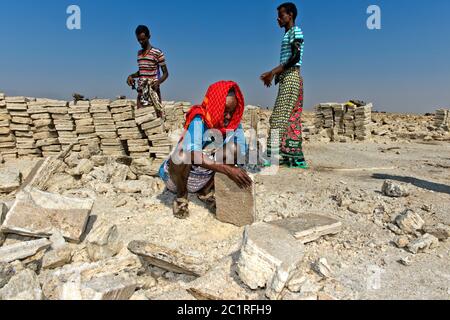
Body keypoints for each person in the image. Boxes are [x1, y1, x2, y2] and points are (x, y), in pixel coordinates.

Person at [159, 81, 253, 219]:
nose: (228, 117)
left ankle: (206, 191)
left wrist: (236, 167)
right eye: (224, 111)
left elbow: (240, 151)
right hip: (180, 178)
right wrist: (228, 170)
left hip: (205, 176)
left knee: (234, 148)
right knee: (181, 154)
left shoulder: (233, 123)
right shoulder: (199, 119)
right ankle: (181, 197)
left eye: (231, 112)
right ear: (215, 106)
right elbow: (191, 154)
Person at [260, 2, 308, 169]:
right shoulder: (288, 34)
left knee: (278, 118)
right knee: (290, 120)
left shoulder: (296, 31)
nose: (278, 18)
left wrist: (273, 72)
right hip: (287, 78)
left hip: (291, 78)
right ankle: (294, 158)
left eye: (281, 15)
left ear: (290, 15)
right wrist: (274, 75)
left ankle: (272, 156)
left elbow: (295, 57)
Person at [127, 25, 169, 112]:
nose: (141, 42)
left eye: (143, 39)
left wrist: (158, 83)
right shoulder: (139, 54)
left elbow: (166, 73)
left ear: (149, 37)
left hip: (153, 91)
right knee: (141, 119)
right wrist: (131, 76)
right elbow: (141, 72)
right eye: (139, 40)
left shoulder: (157, 53)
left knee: (156, 119)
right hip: (141, 91)